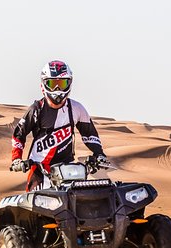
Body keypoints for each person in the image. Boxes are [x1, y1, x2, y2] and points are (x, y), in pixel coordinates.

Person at [10, 60, 109, 191]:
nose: (57, 89)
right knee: (36, 201)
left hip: (67, 168)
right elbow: (19, 135)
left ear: (69, 84)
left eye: (61, 84)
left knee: (79, 198)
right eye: (53, 84)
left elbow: (89, 134)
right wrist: (16, 159)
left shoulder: (77, 108)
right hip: (40, 168)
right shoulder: (36, 109)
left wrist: (99, 154)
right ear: (44, 84)